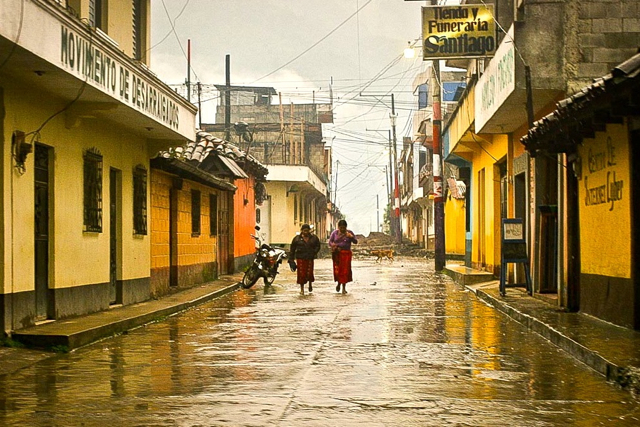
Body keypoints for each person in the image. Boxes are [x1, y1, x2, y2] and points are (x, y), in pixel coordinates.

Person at [289, 223, 321, 295]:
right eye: (304, 231)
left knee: (309, 272)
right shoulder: (296, 239)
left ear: (309, 231)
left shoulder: (314, 238)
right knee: (301, 274)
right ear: (302, 231)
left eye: (307, 231)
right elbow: (292, 250)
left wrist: (314, 252)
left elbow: (318, 246)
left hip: (310, 257)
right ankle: (302, 289)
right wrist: (291, 260)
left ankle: (310, 284)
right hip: (300, 258)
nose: (305, 232)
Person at [328, 219, 358, 294]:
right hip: (337, 254)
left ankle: (344, 288)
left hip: (346, 255)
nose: (342, 229)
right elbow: (330, 242)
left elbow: (355, 242)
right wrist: (333, 245)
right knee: (338, 270)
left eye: (343, 228)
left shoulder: (349, 233)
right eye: (341, 228)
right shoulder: (334, 233)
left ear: (346, 227)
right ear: (338, 227)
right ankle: (338, 283)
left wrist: (351, 237)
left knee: (345, 271)